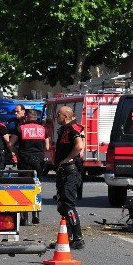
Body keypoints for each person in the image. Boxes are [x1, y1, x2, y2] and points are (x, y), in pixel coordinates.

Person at [51, 105, 86, 250]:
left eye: (58, 114)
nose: (56, 117)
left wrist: (67, 159)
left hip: (70, 173)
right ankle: (67, 237)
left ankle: (78, 238)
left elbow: (79, 146)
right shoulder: (64, 130)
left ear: (65, 116)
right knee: (62, 206)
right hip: (62, 173)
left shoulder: (72, 129)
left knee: (69, 205)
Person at [11, 109, 50, 223]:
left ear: (26, 118)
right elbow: (47, 147)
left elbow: (10, 143)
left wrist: (16, 153)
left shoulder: (21, 128)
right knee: (36, 185)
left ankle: (24, 216)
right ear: (36, 117)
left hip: (24, 160)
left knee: (24, 186)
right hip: (38, 160)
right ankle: (35, 214)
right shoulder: (44, 129)